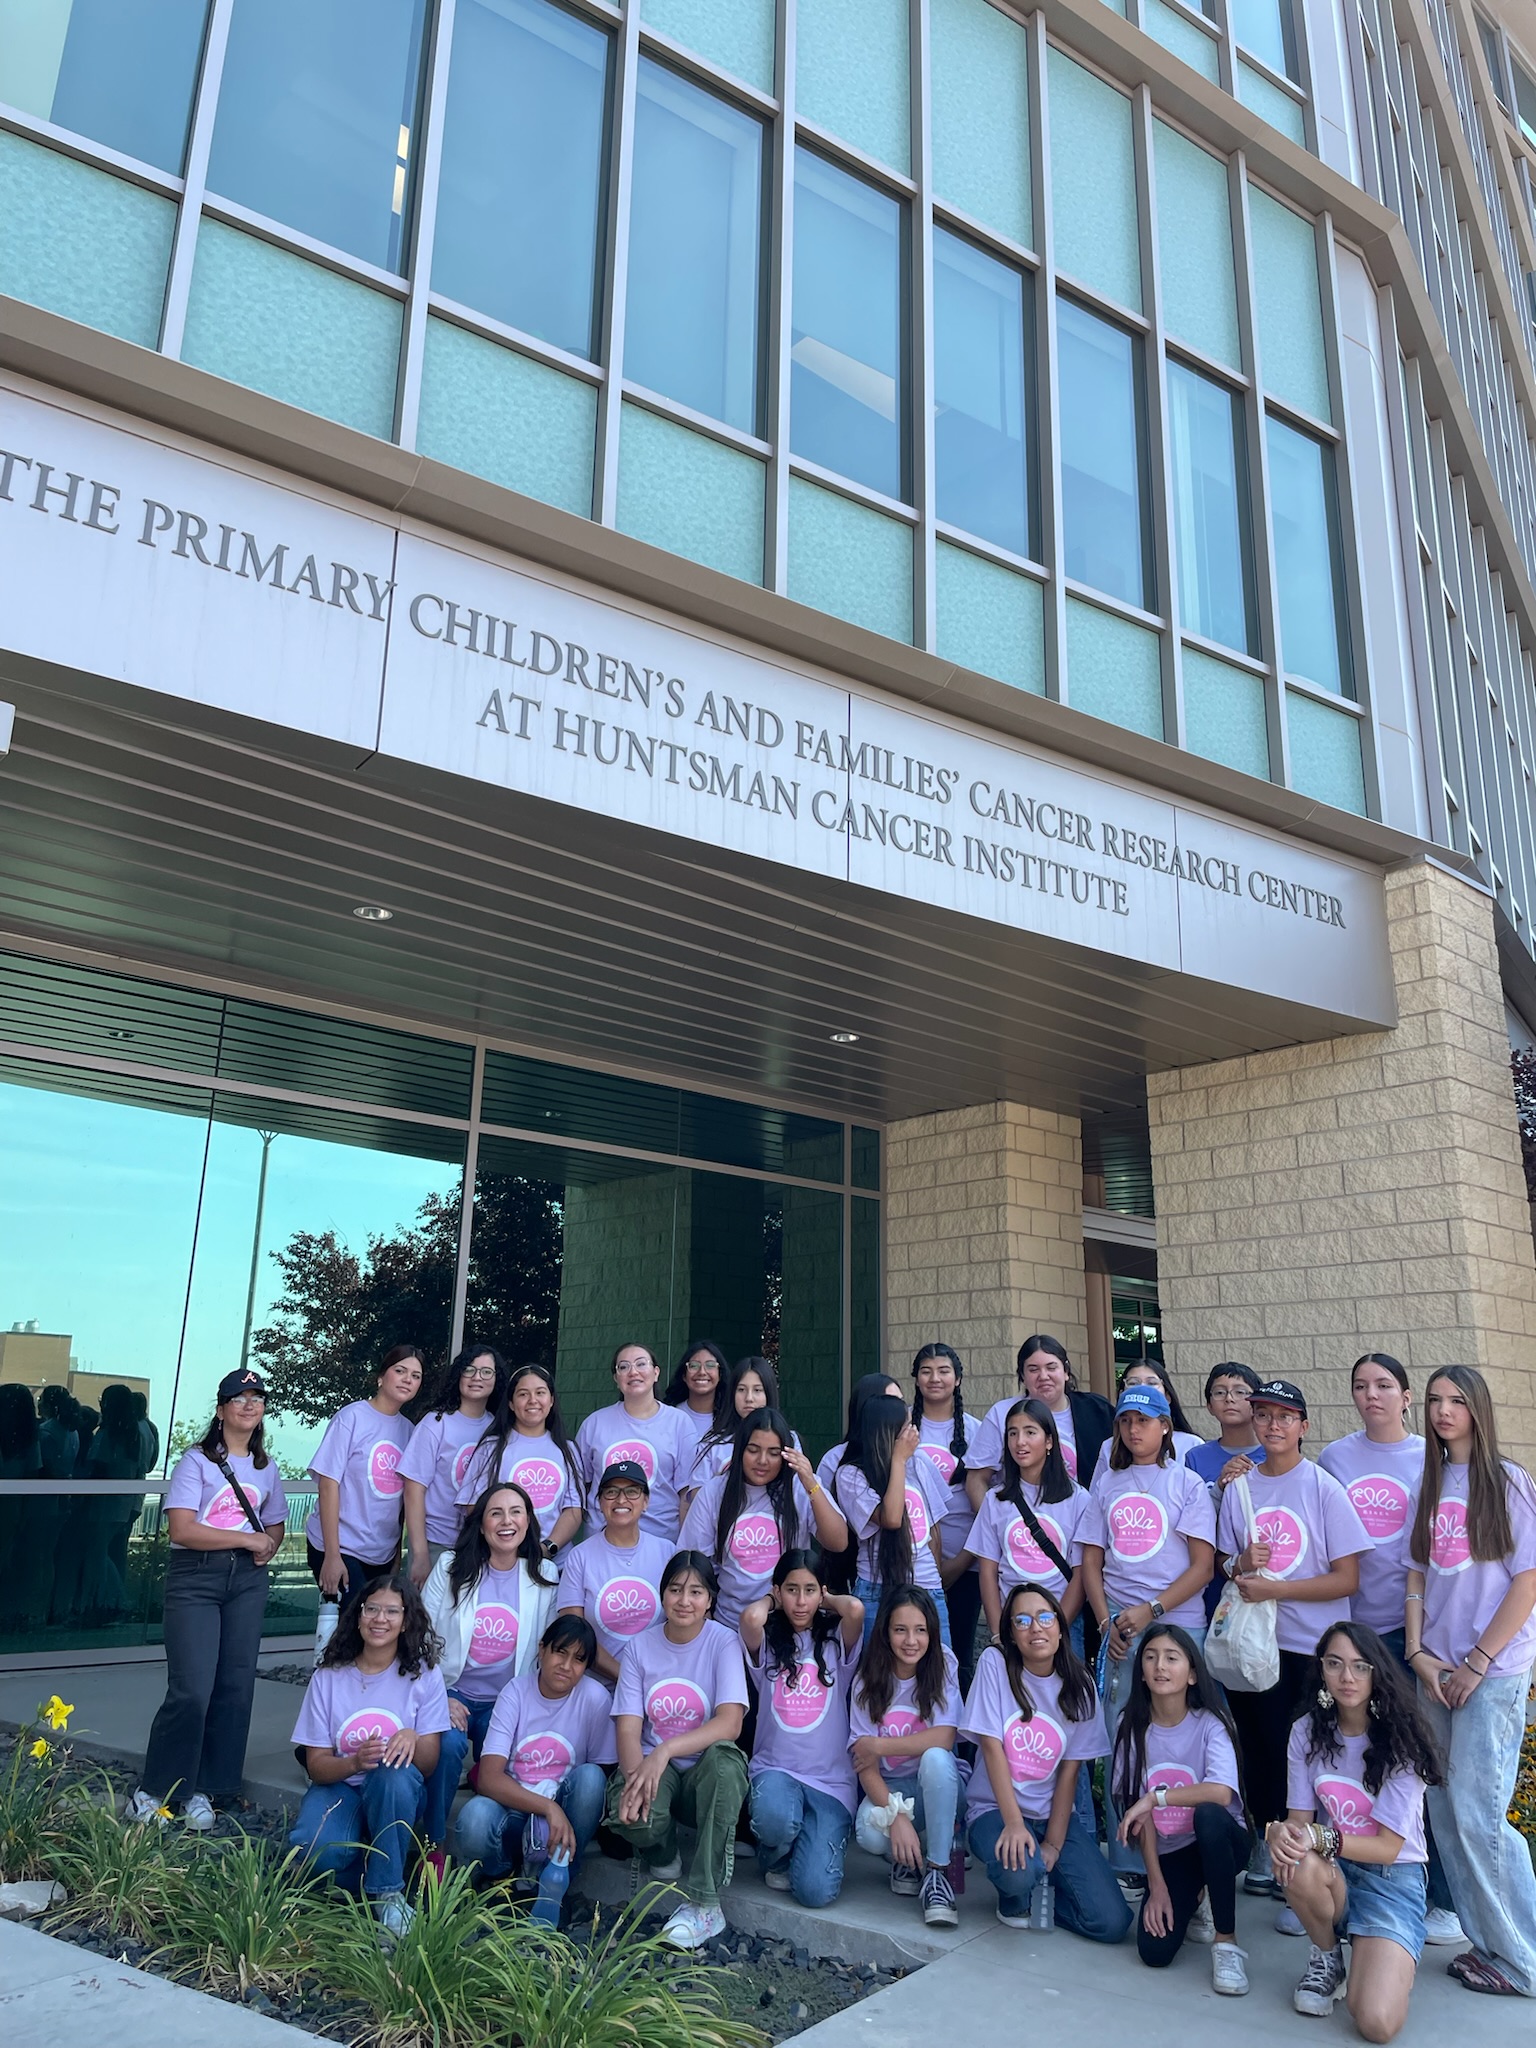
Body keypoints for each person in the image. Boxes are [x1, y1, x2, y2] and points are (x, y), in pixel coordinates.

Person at [1318, 1353, 1460, 1947]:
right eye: (1360, 1386)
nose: (1371, 1395)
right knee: (1346, 1758)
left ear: (1405, 1396)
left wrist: (1420, 1641)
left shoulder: (1430, 1460)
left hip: (1408, 1637)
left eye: (1383, 1385)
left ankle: (1440, 1897)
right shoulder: (1334, 1458)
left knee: (1415, 1761)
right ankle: (1333, 1884)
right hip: (1347, 1635)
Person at [1405, 1364, 1536, 1997]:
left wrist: (1478, 1662)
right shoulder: (1429, 1481)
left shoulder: (1508, 1482)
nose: (1443, 1411)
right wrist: (1416, 1651)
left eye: (1457, 1400)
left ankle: (1525, 1959)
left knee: (1480, 1817)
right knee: (1444, 1810)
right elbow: (1416, 1573)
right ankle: (1490, 1946)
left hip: (1491, 1672)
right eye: (1435, 1400)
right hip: (1436, 1669)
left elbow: (1528, 1581)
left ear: (1478, 1409)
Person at [1215, 1379, 1369, 1898]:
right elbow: (1223, 1562)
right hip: (1253, 1646)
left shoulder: (1324, 1488)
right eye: (1263, 1415)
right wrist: (1240, 1565)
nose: (1273, 1425)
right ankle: (1268, 1846)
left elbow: (1347, 1579)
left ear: (1303, 1425)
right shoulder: (1240, 1488)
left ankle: (1307, 1862)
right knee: (1259, 1748)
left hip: (1310, 1648)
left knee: (1306, 1754)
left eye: (1284, 1416)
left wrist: (1278, 1588)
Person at [129, 1368, 287, 1829]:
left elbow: (274, 1523)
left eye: (257, 1398)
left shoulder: (266, 1468)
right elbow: (182, 1529)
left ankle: (209, 1787)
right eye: (239, 1398)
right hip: (196, 1578)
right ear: (221, 1410)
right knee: (192, 1689)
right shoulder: (196, 1462)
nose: (249, 1404)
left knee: (235, 1687)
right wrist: (247, 1539)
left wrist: (269, 1544)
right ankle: (155, 1789)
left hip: (247, 1581)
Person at [1270, 1622, 1443, 2036]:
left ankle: (1386, 1954)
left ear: (1376, 1672)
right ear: (1321, 1669)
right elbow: (1300, 1822)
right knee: (1294, 1857)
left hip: (1392, 1879)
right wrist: (1279, 1833)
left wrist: (1319, 1837)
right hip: (1334, 1871)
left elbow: (1388, 1847)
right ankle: (1328, 1956)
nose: (1347, 1677)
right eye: (1335, 1664)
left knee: (1376, 2023)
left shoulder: (1401, 1738)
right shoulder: (1307, 1730)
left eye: (1360, 1666)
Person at [1082, 1383, 1215, 1876]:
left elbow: (1203, 1567)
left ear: (1165, 1426)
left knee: (1185, 1732)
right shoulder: (1106, 1485)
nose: (1134, 1429)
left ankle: (1188, 1858)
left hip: (1178, 1624)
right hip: (1120, 1626)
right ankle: (1126, 1859)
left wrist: (1152, 1609)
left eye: (1144, 1420)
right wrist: (1106, 1621)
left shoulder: (1188, 1484)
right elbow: (1091, 1562)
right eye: (1125, 1421)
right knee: (1123, 1735)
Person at [962, 1580, 1130, 1944]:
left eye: (1044, 1617)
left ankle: (1041, 1884)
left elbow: (1070, 1771)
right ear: (1011, 1633)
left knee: (1111, 1922)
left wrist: (1053, 1842)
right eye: (1022, 1621)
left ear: (1059, 1625)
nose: (1035, 1627)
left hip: (1049, 1816)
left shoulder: (1080, 1684)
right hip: (995, 1812)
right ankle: (1016, 1897)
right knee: (1021, 1870)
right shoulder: (995, 1664)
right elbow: (991, 1748)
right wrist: (1014, 1824)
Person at [289, 1572, 450, 1943]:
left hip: (396, 1792)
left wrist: (412, 1737)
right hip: (340, 1786)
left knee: (392, 1774)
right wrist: (353, 1763)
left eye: (392, 1611)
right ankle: (368, 1869)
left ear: (406, 1621)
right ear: (358, 1615)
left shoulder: (424, 1674)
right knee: (315, 1850)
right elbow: (317, 1766)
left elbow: (428, 1764)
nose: (380, 1619)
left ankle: (387, 1893)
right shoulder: (328, 1677)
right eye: (372, 1609)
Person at [604, 1550, 750, 1951]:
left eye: (696, 1592)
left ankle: (705, 1904)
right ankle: (663, 1851)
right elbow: (628, 1728)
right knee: (632, 1812)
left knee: (726, 1762)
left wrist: (665, 1750)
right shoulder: (639, 1647)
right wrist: (634, 1781)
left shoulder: (723, 1642)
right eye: (675, 1589)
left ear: (710, 1600)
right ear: (662, 1594)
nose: (685, 1601)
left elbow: (730, 1723)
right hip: (658, 1774)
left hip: (704, 1774)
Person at [419, 1479, 559, 1856]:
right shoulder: (450, 1567)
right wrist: (437, 1697)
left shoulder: (545, 1577)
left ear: (528, 1522)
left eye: (516, 1512)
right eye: (496, 1513)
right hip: (452, 1691)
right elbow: (418, 1636)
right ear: (481, 1525)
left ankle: (495, 1852)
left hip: (506, 1701)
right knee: (447, 1744)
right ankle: (433, 1843)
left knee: (500, 1763)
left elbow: (545, 1654)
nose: (506, 1521)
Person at [1111, 1622, 1250, 1993]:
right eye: (1151, 1657)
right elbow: (1141, 1821)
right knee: (1154, 1952)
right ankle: (1196, 1895)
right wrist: (1156, 1886)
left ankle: (1227, 1942)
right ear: (1141, 1672)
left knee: (1208, 1814)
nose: (1160, 1666)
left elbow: (1221, 1794)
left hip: (1222, 1840)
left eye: (1172, 1658)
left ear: (1192, 1674)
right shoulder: (1130, 1726)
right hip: (1172, 1851)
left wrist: (1155, 1798)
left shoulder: (1211, 1724)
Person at [453, 1614, 615, 1921]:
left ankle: (557, 1875)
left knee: (592, 1778)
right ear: (542, 1649)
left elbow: (600, 1777)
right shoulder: (515, 1692)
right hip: (515, 1808)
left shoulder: (595, 1698)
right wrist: (546, 1808)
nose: (566, 1666)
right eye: (560, 1652)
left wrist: (558, 1809)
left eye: (579, 1659)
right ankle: (502, 1875)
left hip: (564, 1815)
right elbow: (488, 1778)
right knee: (474, 1819)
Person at [739, 1550, 864, 1908]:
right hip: (776, 1771)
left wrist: (826, 1599)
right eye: (791, 1590)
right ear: (778, 1591)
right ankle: (777, 1854)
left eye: (809, 1590)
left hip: (831, 1784)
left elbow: (855, 1609)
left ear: (821, 1593)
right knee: (776, 1820)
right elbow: (751, 1618)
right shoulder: (769, 1644)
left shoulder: (835, 1643)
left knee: (814, 1893)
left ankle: (803, 1845)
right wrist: (771, 1598)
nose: (800, 1601)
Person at [849, 1584, 964, 1927]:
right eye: (900, 1630)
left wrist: (880, 1745)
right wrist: (896, 1816)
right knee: (868, 1831)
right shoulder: (867, 1679)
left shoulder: (943, 1664)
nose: (911, 1640)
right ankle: (908, 1858)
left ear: (932, 1632)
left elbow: (944, 1737)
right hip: (893, 1788)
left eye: (920, 1630)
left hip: (940, 1787)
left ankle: (938, 1872)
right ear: (885, 1632)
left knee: (935, 1758)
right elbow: (864, 1765)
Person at [680, 1407, 847, 1630]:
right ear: (740, 1450)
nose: (762, 1460)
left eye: (773, 1453)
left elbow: (838, 1542)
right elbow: (694, 1564)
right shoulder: (714, 1492)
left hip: (791, 1624)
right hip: (731, 1624)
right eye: (753, 1450)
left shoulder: (799, 1486)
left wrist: (810, 1482)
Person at [305, 1345, 423, 1614]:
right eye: (400, 1371)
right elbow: (328, 1485)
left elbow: (403, 1503)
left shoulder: (410, 1432)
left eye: (416, 1376)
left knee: (376, 1627)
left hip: (381, 1554)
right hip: (340, 1547)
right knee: (356, 1622)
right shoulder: (352, 1417)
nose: (407, 1379)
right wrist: (332, 1555)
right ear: (381, 1377)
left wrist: (395, 1557)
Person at [966, 1396, 1090, 1641]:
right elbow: (988, 1571)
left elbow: (1081, 1573)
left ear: (1049, 1441)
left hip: (1063, 1624)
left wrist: (1057, 1629)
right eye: (1012, 1433)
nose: (1019, 1442)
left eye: (1030, 1432)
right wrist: (997, 1633)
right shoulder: (994, 1500)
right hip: (1013, 1624)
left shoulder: (1079, 1499)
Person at [833, 1394, 950, 1644]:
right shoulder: (850, 1474)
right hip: (876, 1589)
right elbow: (892, 1518)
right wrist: (898, 1459)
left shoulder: (918, 1463)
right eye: (906, 1425)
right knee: (876, 1665)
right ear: (888, 1430)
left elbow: (934, 1531)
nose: (913, 1432)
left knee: (940, 1662)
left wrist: (937, 1581)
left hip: (927, 1584)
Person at [556, 1461, 676, 1683]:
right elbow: (574, 1632)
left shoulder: (667, 1552)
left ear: (646, 1501)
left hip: (660, 1679)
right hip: (597, 1684)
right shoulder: (579, 1557)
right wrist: (627, 1678)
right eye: (611, 1492)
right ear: (600, 1502)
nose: (621, 1500)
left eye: (632, 1491)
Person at [399, 1344, 505, 1586]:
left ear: (496, 1379)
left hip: (480, 1547)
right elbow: (414, 1491)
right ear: (458, 1375)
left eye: (486, 1372)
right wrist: (420, 1553)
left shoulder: (497, 1429)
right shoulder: (436, 1423)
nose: (477, 1377)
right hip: (435, 1544)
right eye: (469, 1369)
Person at [454, 1362, 582, 1557]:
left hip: (556, 1564)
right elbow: (474, 1506)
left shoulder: (567, 1450)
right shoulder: (491, 1448)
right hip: (502, 1561)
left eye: (540, 1393)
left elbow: (573, 1510)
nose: (532, 1400)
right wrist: (507, 1551)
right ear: (511, 1403)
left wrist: (545, 1549)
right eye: (523, 1394)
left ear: (551, 1400)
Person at [911, 1343, 982, 1690]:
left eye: (943, 1371)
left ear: (958, 1379)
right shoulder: (902, 1426)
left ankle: (959, 1724)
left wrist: (961, 1562)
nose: (935, 1378)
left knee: (959, 1656)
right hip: (914, 1564)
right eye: (926, 1371)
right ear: (916, 1379)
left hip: (967, 1564)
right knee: (914, 1653)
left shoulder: (977, 1430)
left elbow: (989, 1504)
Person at [967, 1335, 1114, 1496]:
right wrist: (990, 1512)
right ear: (1022, 1376)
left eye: (1051, 1368)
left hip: (1085, 1509)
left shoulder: (1098, 1410)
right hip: (1018, 1509)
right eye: (1033, 1369)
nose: (1043, 1376)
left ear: (1066, 1372)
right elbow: (976, 1479)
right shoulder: (1002, 1413)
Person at [573, 1342, 692, 1540]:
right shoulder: (594, 1424)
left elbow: (686, 1494)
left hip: (662, 1541)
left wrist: (685, 1546)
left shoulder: (679, 1422)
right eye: (624, 1366)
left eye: (641, 1364)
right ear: (616, 1378)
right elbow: (579, 1486)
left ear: (656, 1373)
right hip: (602, 1541)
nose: (633, 1372)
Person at [687, 1356, 795, 1491]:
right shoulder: (712, 1443)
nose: (749, 1398)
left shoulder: (790, 1440)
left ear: (769, 1393)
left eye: (757, 1390)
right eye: (741, 1390)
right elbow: (697, 1495)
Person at [1089, 1362, 1203, 1481]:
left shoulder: (1192, 1445)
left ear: (1167, 1396)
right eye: (1133, 1383)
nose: (1142, 1389)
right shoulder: (1108, 1448)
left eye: (1152, 1383)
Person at [663, 1340, 731, 1453]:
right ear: (684, 1375)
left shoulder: (730, 1418)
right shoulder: (669, 1416)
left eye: (710, 1365)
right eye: (694, 1365)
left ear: (720, 1374)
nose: (702, 1372)